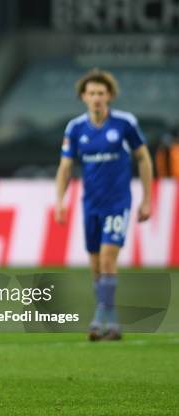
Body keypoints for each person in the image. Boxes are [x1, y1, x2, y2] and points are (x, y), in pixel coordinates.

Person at [55, 68, 153, 341]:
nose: (97, 97)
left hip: (118, 202)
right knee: (96, 264)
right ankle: (113, 322)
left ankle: (99, 319)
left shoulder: (124, 123)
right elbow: (65, 167)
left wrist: (147, 198)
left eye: (101, 93)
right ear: (83, 97)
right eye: (91, 93)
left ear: (109, 95)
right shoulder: (75, 128)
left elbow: (144, 158)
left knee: (109, 258)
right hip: (91, 204)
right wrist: (60, 200)